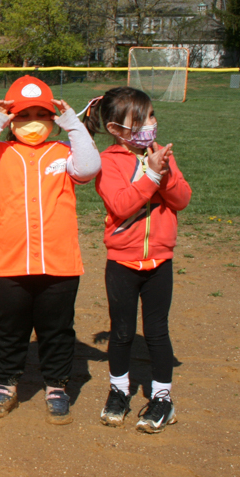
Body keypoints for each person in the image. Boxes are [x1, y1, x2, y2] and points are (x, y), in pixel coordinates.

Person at [0, 75, 100, 424]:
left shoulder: (64, 153)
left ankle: (56, 386)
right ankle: (6, 384)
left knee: (56, 328)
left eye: (41, 114)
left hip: (60, 262)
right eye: (23, 116)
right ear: (11, 121)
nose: (32, 123)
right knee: (9, 328)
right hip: (9, 262)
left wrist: (72, 124)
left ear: (53, 120)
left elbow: (89, 168)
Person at [84, 87, 191, 433]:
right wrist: (152, 176)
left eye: (152, 115)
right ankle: (119, 391)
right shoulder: (109, 162)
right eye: (140, 119)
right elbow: (121, 204)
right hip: (122, 264)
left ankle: (162, 398)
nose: (150, 124)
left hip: (160, 261)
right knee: (124, 331)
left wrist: (165, 172)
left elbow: (182, 199)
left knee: (157, 331)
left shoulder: (160, 154)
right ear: (116, 129)